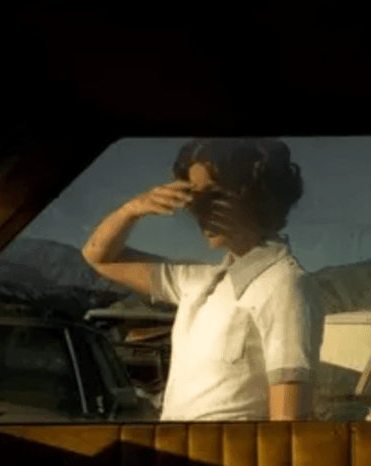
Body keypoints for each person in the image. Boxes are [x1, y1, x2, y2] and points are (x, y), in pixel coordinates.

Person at [81, 138, 325, 421]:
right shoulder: (197, 281)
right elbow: (98, 257)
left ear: (256, 196)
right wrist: (132, 210)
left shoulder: (285, 285)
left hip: (225, 460)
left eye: (213, 195)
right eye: (194, 198)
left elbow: (287, 424)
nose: (197, 210)